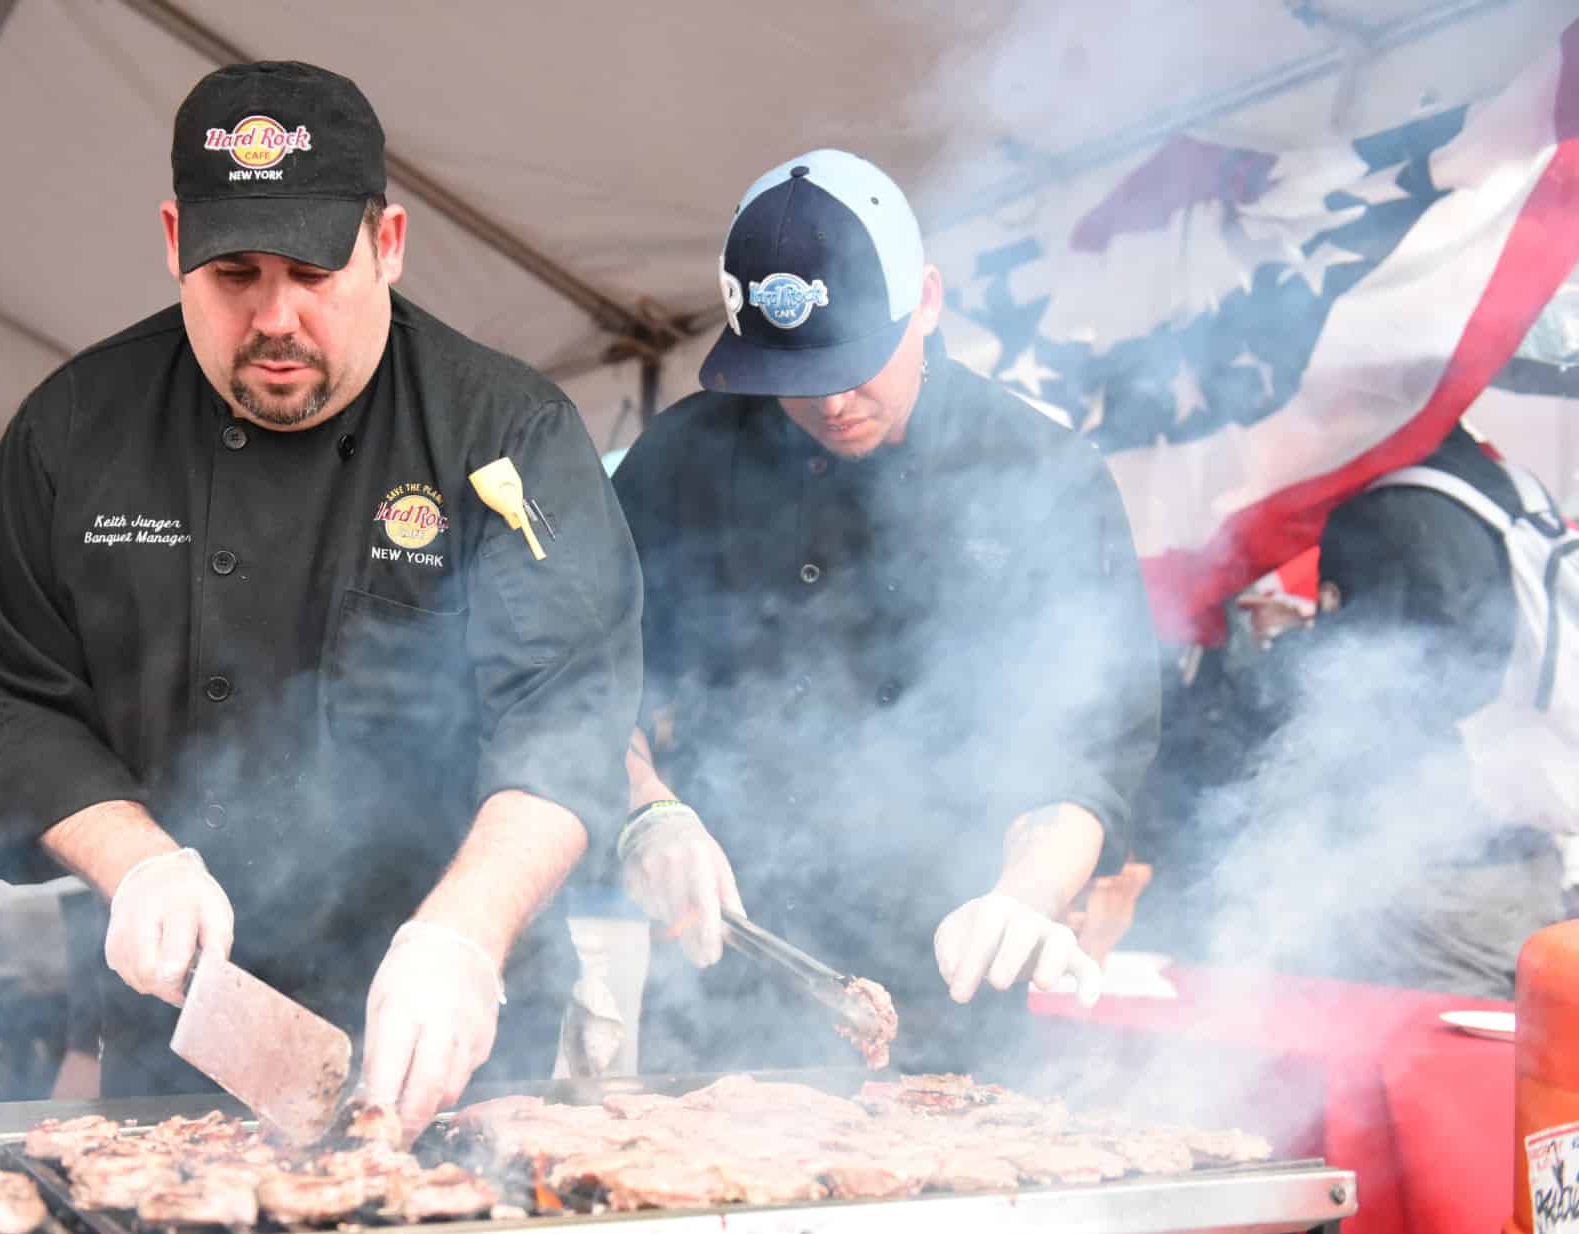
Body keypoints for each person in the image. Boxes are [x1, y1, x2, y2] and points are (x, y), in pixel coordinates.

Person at [0, 61, 642, 1131]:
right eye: (236, 273)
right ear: (176, 241)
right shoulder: (72, 434)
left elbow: (565, 717)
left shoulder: (505, 433)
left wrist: (462, 934)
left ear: (390, 242)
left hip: (447, 1024)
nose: (274, 318)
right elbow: (17, 701)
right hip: (186, 1021)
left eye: (313, 271)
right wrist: (134, 865)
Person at [609, 151, 1161, 1074]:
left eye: (856, 359)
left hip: (958, 990)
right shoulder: (681, 462)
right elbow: (589, 682)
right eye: (794, 369)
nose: (830, 398)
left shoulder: (1042, 476)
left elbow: (1096, 751)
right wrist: (647, 813)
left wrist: (1024, 896)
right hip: (725, 981)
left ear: (929, 300)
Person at [1200, 424, 1568, 997]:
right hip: (1514, 853)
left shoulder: (1394, 508)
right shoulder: (1503, 487)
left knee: (1422, 1071)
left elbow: (1381, 693)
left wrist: (1271, 651)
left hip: (1426, 878)